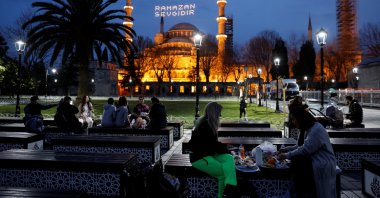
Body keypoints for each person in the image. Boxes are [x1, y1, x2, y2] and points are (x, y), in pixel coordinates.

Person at [278, 105, 337, 198]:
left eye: (294, 119)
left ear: (301, 119)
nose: (293, 122)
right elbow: (300, 146)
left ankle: (303, 192)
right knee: (296, 163)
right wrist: (286, 149)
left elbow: (305, 150)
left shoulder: (316, 129)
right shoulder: (306, 128)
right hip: (313, 158)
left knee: (297, 164)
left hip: (322, 162)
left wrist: (286, 155)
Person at [189, 102, 237, 198]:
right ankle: (225, 194)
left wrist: (227, 148)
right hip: (199, 158)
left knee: (228, 158)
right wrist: (226, 149)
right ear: (214, 113)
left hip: (208, 154)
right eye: (219, 113)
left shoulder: (207, 123)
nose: (220, 115)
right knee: (223, 173)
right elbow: (211, 145)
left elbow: (211, 144)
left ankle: (231, 186)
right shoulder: (205, 125)